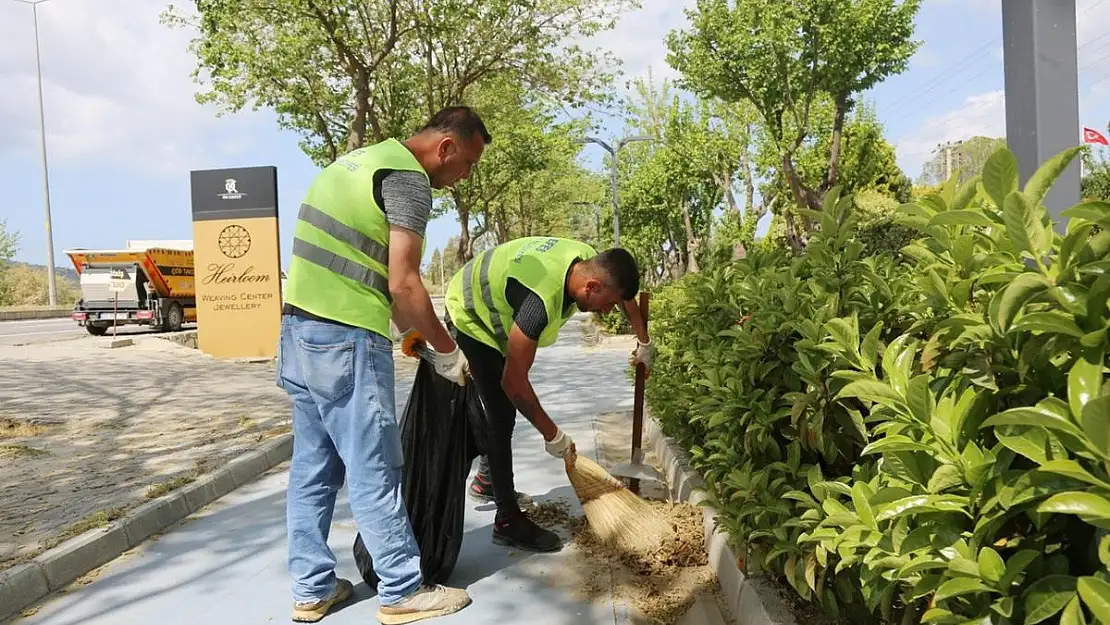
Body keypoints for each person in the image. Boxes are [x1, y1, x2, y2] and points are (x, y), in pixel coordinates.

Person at [277, 106, 489, 624]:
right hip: (347, 339)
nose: (463, 178)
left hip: (298, 335)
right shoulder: (409, 180)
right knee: (375, 466)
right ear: (445, 146)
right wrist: (446, 350)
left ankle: (312, 589)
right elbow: (404, 282)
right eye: (466, 163)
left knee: (313, 469)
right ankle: (401, 590)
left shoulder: (354, 164)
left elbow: (362, 268)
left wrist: (412, 334)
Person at [426, 236, 655, 552]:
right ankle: (507, 520)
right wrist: (553, 435)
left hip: (501, 300)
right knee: (501, 412)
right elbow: (514, 383)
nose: (608, 310)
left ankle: (488, 481)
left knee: (501, 411)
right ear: (591, 288)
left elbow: (624, 291)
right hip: (471, 313)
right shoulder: (538, 302)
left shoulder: (590, 262)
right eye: (608, 303)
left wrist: (643, 341)